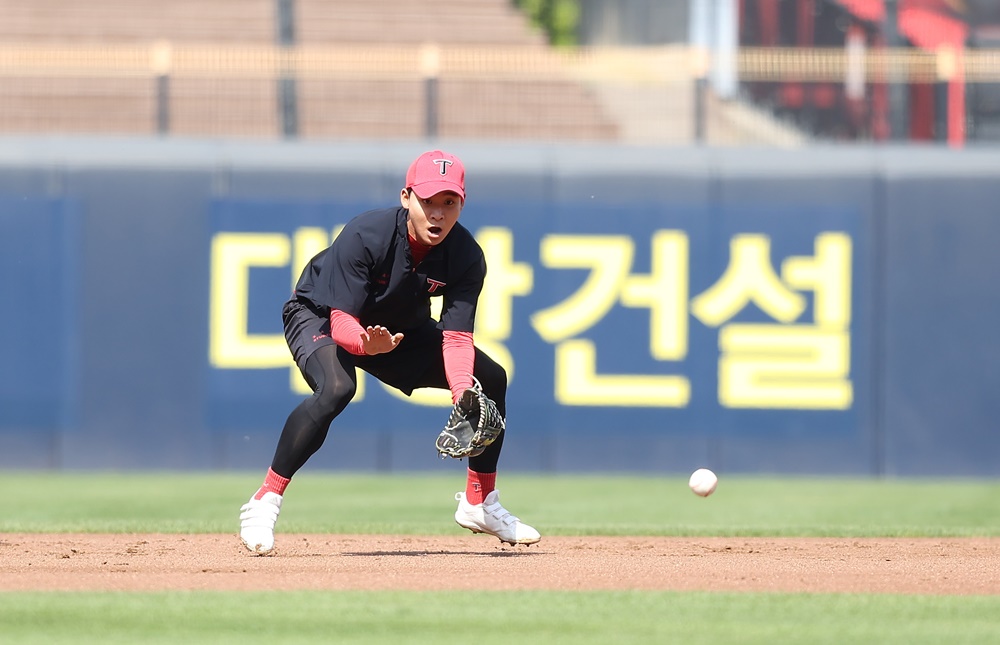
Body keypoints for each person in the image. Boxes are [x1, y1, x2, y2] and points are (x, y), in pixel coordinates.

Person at [238, 150, 540, 555]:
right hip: (322, 315)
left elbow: (456, 339)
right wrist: (364, 344)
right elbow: (344, 318)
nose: (437, 213)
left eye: (448, 203)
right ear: (405, 197)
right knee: (337, 389)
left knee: (491, 378)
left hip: (397, 331)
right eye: (428, 201)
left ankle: (479, 502)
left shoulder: (466, 257)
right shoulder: (367, 234)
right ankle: (265, 501)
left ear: (462, 204)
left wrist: (461, 394)